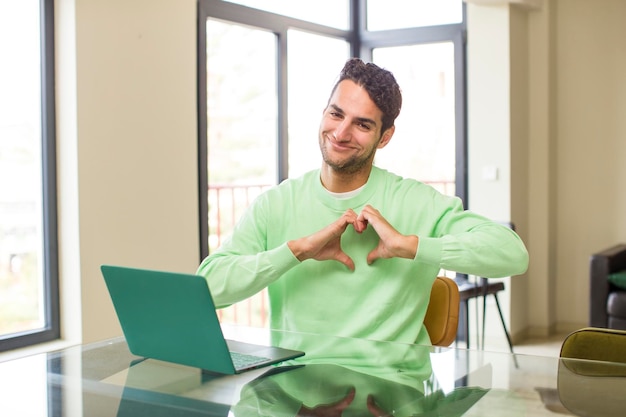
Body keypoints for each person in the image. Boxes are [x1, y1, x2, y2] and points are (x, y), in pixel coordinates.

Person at [197, 58, 528, 354]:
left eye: (362, 124)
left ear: (385, 137)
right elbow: (208, 290)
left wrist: (409, 245)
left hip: (391, 392)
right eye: (336, 114)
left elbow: (513, 254)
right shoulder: (275, 204)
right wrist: (296, 251)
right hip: (294, 388)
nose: (340, 133)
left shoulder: (418, 202)